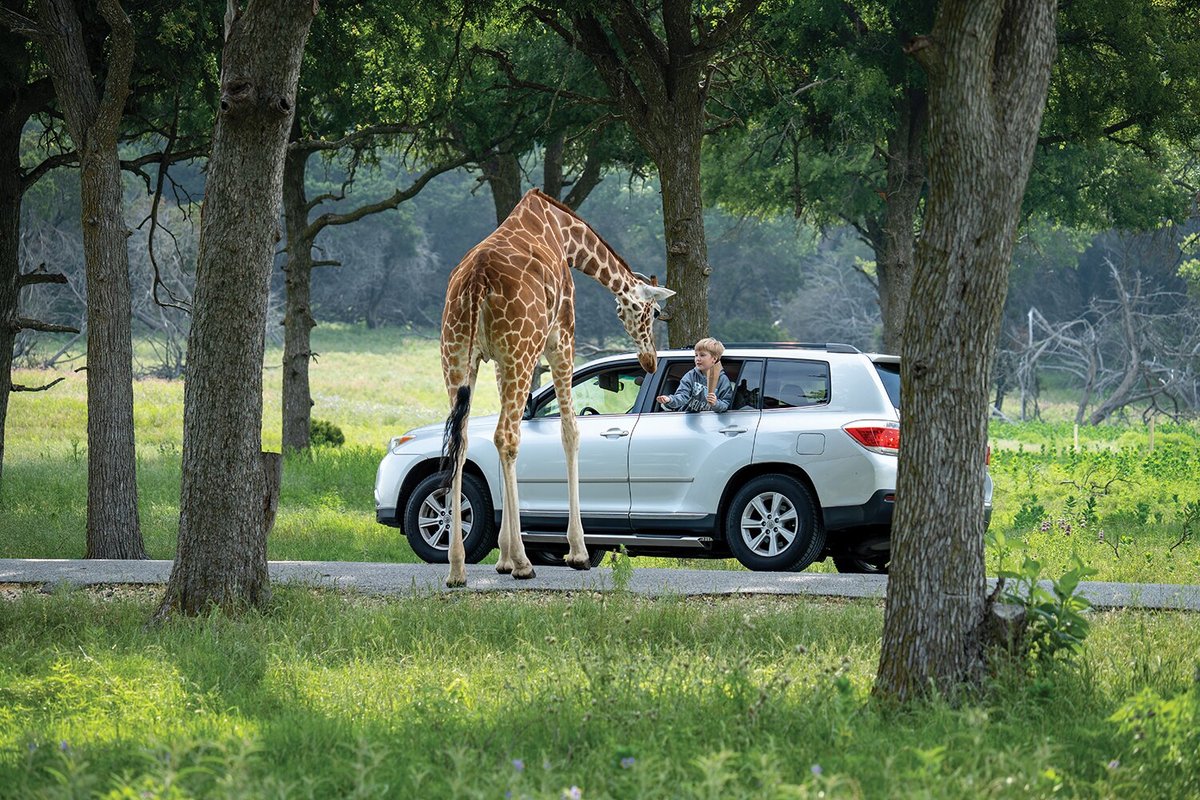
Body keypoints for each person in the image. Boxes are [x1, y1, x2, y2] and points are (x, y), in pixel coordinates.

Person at [657, 337, 734, 412]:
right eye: (696, 355)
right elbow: (682, 397)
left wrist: (715, 403)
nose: (698, 359)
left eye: (702, 355)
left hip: (711, 422)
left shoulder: (722, 380)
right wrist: (669, 400)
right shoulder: (690, 376)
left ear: (714, 359)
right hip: (687, 420)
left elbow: (726, 404)